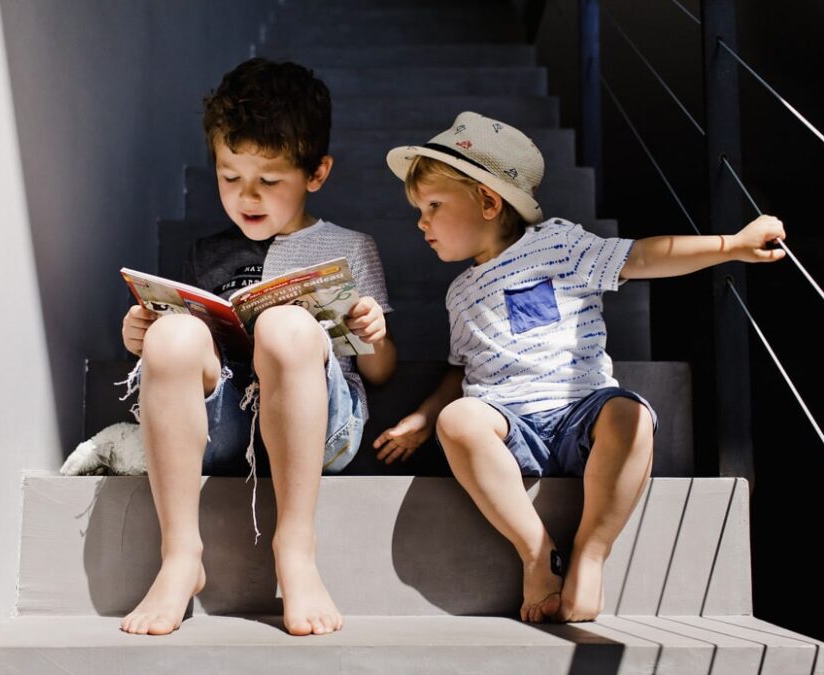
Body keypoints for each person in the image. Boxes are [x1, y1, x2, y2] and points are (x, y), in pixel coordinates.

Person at [373, 111, 784, 622]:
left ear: (487, 200)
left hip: (580, 413)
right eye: (418, 209)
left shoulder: (559, 244)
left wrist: (731, 246)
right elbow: (462, 370)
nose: (421, 221)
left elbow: (643, 257)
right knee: (460, 419)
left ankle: (591, 551)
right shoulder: (460, 292)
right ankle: (538, 553)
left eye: (433, 205)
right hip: (508, 422)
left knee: (631, 416)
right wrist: (425, 417)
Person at [119, 58, 396, 637]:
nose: (246, 196)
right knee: (173, 333)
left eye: (269, 181)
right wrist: (142, 334)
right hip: (224, 431)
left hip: (318, 430)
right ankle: (180, 556)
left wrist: (371, 334)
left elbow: (383, 373)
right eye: (228, 177)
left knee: (285, 327)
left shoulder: (351, 247)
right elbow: (183, 354)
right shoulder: (206, 254)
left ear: (316, 173)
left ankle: (295, 548)